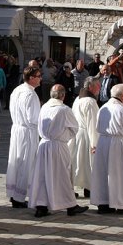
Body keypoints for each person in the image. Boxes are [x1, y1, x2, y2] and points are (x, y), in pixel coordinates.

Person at [29, 84, 88, 218]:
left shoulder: (44, 107)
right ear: (63, 95)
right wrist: (63, 136)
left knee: (42, 176)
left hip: (43, 144)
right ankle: (70, 205)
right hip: (57, 146)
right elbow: (74, 128)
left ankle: (41, 206)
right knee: (62, 176)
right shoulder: (64, 110)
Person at [90, 83, 123, 215]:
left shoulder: (103, 108)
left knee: (104, 173)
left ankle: (104, 203)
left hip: (103, 142)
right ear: (122, 95)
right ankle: (122, 204)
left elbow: (97, 126)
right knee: (119, 174)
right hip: (118, 144)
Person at [7, 67, 42, 208]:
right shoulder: (31, 94)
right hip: (27, 131)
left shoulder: (17, 90)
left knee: (16, 161)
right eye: (39, 76)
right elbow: (33, 118)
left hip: (17, 129)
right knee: (25, 163)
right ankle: (19, 197)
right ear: (32, 78)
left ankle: (14, 193)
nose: (41, 78)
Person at [71, 76, 100, 198]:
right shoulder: (90, 102)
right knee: (88, 164)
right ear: (90, 87)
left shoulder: (78, 98)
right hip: (87, 135)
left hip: (77, 134)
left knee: (78, 163)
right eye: (97, 85)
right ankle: (89, 188)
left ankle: (76, 187)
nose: (99, 88)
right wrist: (95, 143)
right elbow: (92, 124)